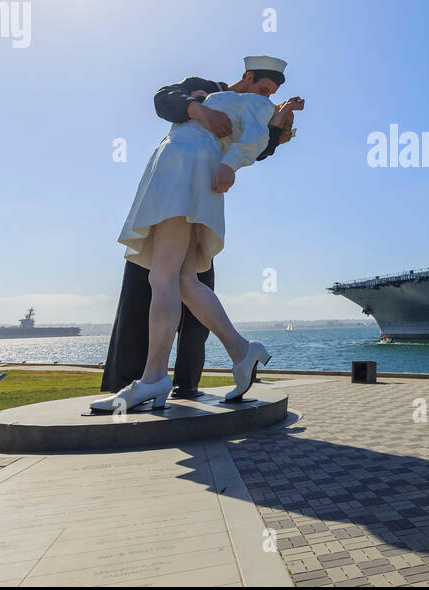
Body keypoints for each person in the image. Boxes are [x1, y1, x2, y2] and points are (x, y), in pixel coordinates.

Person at [91, 55, 303, 411]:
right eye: (263, 87)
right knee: (185, 281)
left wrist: (251, 146)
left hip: (185, 164)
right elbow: (164, 100)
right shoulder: (208, 91)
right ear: (248, 76)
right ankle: (241, 350)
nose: (267, 96)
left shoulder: (254, 105)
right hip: (178, 162)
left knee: (162, 276)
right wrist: (198, 109)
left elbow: (255, 142)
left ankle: (154, 377)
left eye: (272, 93)